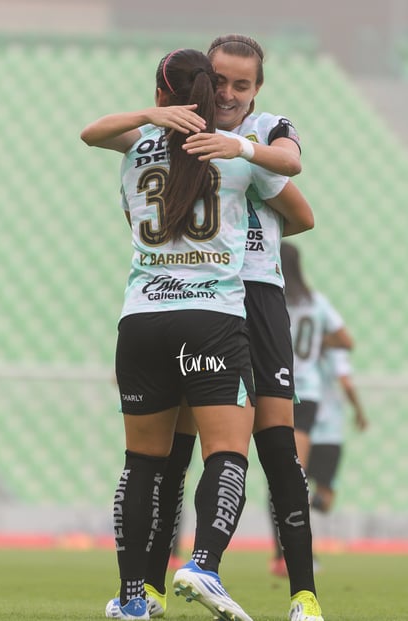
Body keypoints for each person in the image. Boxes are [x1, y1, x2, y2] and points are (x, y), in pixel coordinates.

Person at [83, 34, 321, 621]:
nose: (230, 93)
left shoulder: (152, 146)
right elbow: (296, 194)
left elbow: (91, 132)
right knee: (217, 451)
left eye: (243, 85)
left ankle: (141, 596)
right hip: (213, 313)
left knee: (155, 460)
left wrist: (157, 117)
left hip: (157, 313)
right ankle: (196, 567)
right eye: (220, 83)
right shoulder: (229, 154)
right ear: (202, 86)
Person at [269, 241, 354, 578]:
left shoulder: (271, 299)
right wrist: (318, 340)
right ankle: (299, 554)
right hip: (308, 395)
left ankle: (285, 554)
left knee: (282, 477)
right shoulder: (316, 303)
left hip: (276, 389)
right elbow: (346, 340)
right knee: (293, 476)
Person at [307, 348, 368, 515]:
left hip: (302, 427)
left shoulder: (299, 346)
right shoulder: (336, 351)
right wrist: (359, 412)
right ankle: (303, 502)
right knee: (326, 498)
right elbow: (346, 382)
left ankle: (297, 502)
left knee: (294, 484)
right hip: (329, 433)